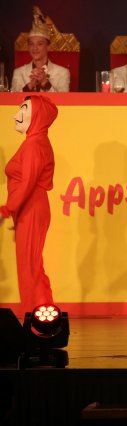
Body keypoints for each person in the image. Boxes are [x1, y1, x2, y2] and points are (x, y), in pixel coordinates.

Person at [0, 96, 57, 315]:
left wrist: (7, 209)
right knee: (31, 267)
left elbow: (27, 183)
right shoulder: (34, 142)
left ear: (37, 116)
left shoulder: (34, 144)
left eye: (24, 109)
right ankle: (39, 317)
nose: (16, 115)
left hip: (32, 208)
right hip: (28, 209)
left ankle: (39, 319)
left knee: (30, 268)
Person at [11, 6, 70, 92]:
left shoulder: (62, 73)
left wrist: (45, 82)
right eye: (31, 44)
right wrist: (30, 85)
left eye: (40, 44)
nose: (35, 48)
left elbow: (63, 100)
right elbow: (13, 100)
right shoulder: (18, 73)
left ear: (48, 47)